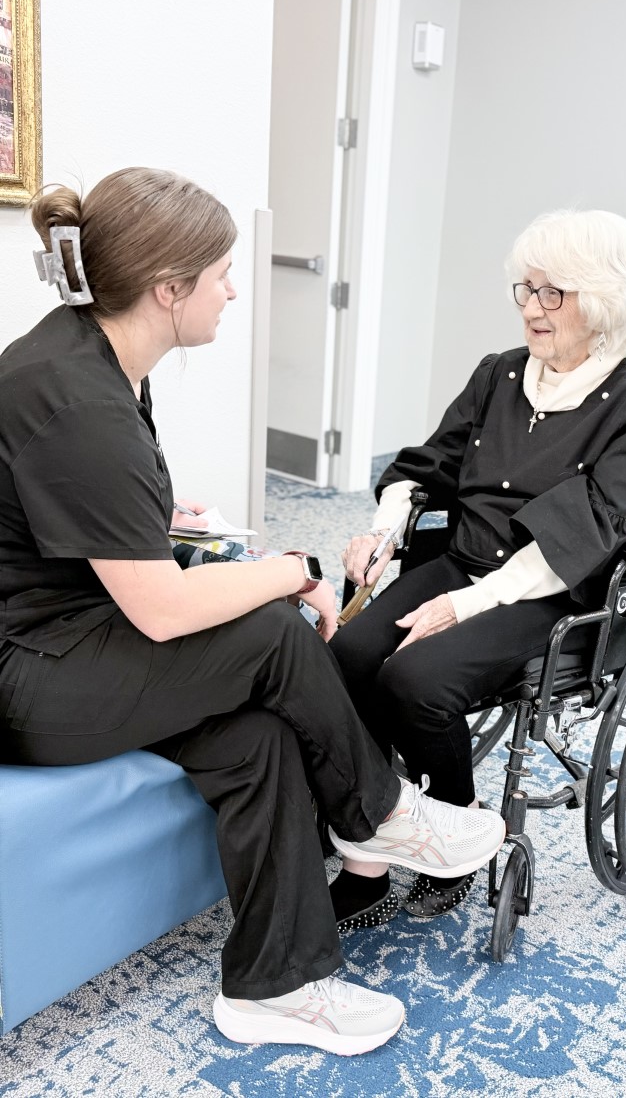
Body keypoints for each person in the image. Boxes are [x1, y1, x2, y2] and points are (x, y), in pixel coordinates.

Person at [0, 168, 506, 1057]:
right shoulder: (78, 398)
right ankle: (380, 812)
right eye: (223, 273)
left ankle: (276, 985)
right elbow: (159, 612)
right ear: (168, 289)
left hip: (79, 632)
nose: (235, 290)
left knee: (258, 736)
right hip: (30, 675)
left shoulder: (95, 356)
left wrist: (165, 520)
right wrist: (293, 571)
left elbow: (80, 512)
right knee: (275, 630)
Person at [329, 209, 626, 926]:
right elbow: (427, 465)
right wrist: (382, 533)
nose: (531, 308)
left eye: (554, 293)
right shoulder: (499, 374)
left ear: (602, 299)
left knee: (415, 679)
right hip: (459, 560)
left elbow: (595, 527)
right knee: (349, 653)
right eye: (527, 289)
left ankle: (459, 820)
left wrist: (469, 605)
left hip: (547, 595)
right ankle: (368, 849)